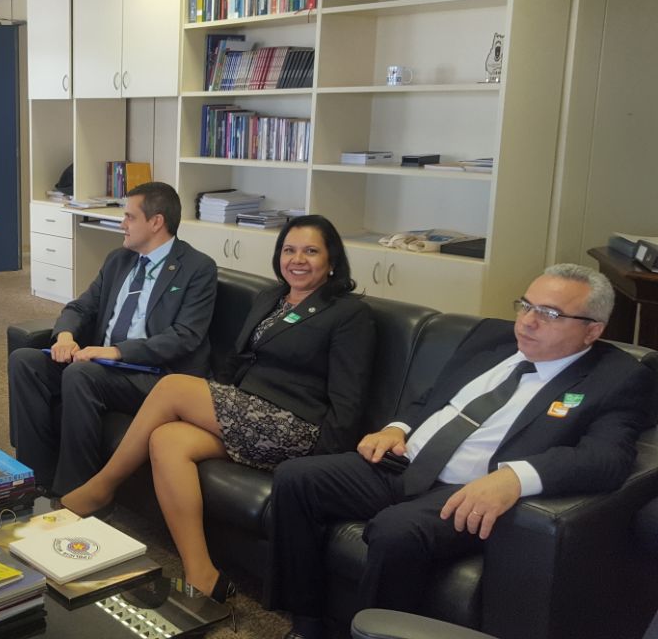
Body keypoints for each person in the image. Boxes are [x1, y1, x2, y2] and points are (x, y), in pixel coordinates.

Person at [269, 264, 655, 639]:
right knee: (297, 477)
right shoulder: (490, 338)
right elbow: (431, 399)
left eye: (550, 314)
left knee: (396, 530)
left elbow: (608, 458)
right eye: (526, 305)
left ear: (592, 330)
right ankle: (307, 622)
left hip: (467, 490)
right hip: (404, 462)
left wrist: (515, 477)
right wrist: (397, 427)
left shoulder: (618, 377)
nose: (528, 322)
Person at [60, 214, 376, 601]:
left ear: (332, 260)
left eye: (311, 251)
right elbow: (239, 363)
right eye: (289, 250)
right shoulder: (271, 298)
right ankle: (202, 573)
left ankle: (100, 488)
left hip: (295, 426)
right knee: (167, 439)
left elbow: (349, 399)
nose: (297, 260)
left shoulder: (348, 314)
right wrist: (215, 396)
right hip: (247, 415)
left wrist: (322, 464)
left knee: (173, 387)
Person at [9, 182, 218, 496]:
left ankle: (75, 493)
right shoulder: (118, 260)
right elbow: (81, 307)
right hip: (104, 365)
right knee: (25, 361)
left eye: (130, 217)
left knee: (81, 373)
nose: (122, 224)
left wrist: (116, 352)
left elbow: (184, 337)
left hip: (155, 375)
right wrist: (65, 336)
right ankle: (36, 480)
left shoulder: (197, 268)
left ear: (156, 222)